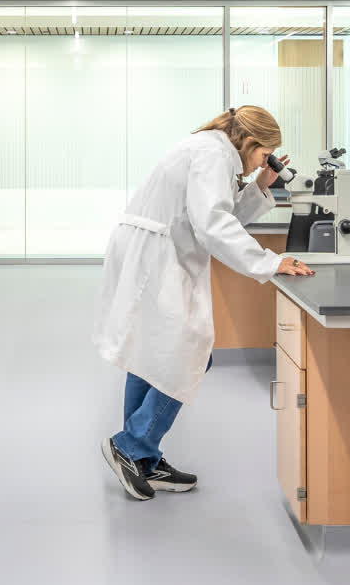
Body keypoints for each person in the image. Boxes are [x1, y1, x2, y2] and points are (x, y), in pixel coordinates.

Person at [94, 105, 313, 501]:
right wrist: (270, 260)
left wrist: (261, 184)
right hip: (156, 256)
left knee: (151, 355)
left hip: (156, 251)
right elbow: (213, 224)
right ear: (249, 141)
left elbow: (221, 213)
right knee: (191, 352)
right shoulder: (212, 154)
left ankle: (142, 457)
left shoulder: (216, 153)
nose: (263, 162)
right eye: (265, 155)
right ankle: (131, 445)